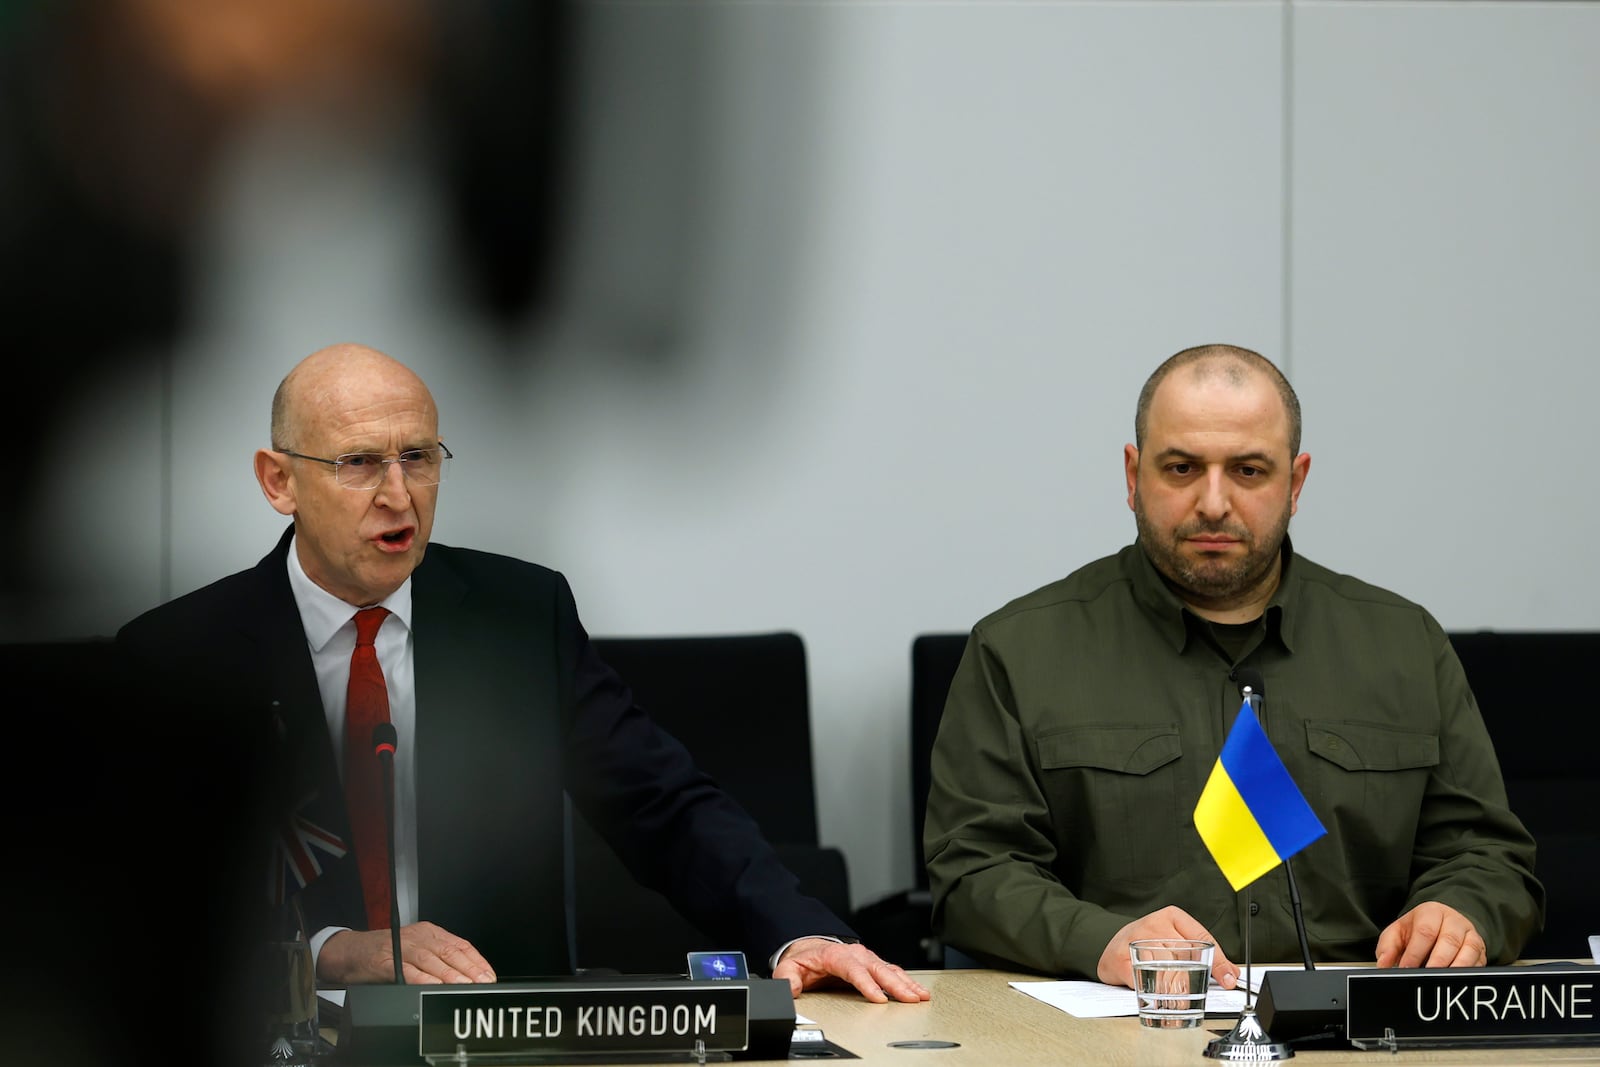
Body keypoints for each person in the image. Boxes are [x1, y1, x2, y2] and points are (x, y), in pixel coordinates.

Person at [116, 341, 930, 1005]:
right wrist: (329, 953)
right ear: (278, 480)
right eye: (359, 462)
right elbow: (142, 907)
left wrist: (798, 931)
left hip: (502, 1031)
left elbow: (664, 804)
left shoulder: (517, 614)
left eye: (420, 457)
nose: (399, 495)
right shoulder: (183, 655)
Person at [923, 343, 1543, 990]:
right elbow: (973, 872)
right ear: (1133, 475)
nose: (1213, 502)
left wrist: (1459, 911)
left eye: (1248, 471)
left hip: (1353, 1032)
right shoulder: (1021, 649)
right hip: (1116, 1029)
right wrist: (1100, 940)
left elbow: (1488, 854)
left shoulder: (1403, 644)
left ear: (1296, 482)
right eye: (1182, 467)